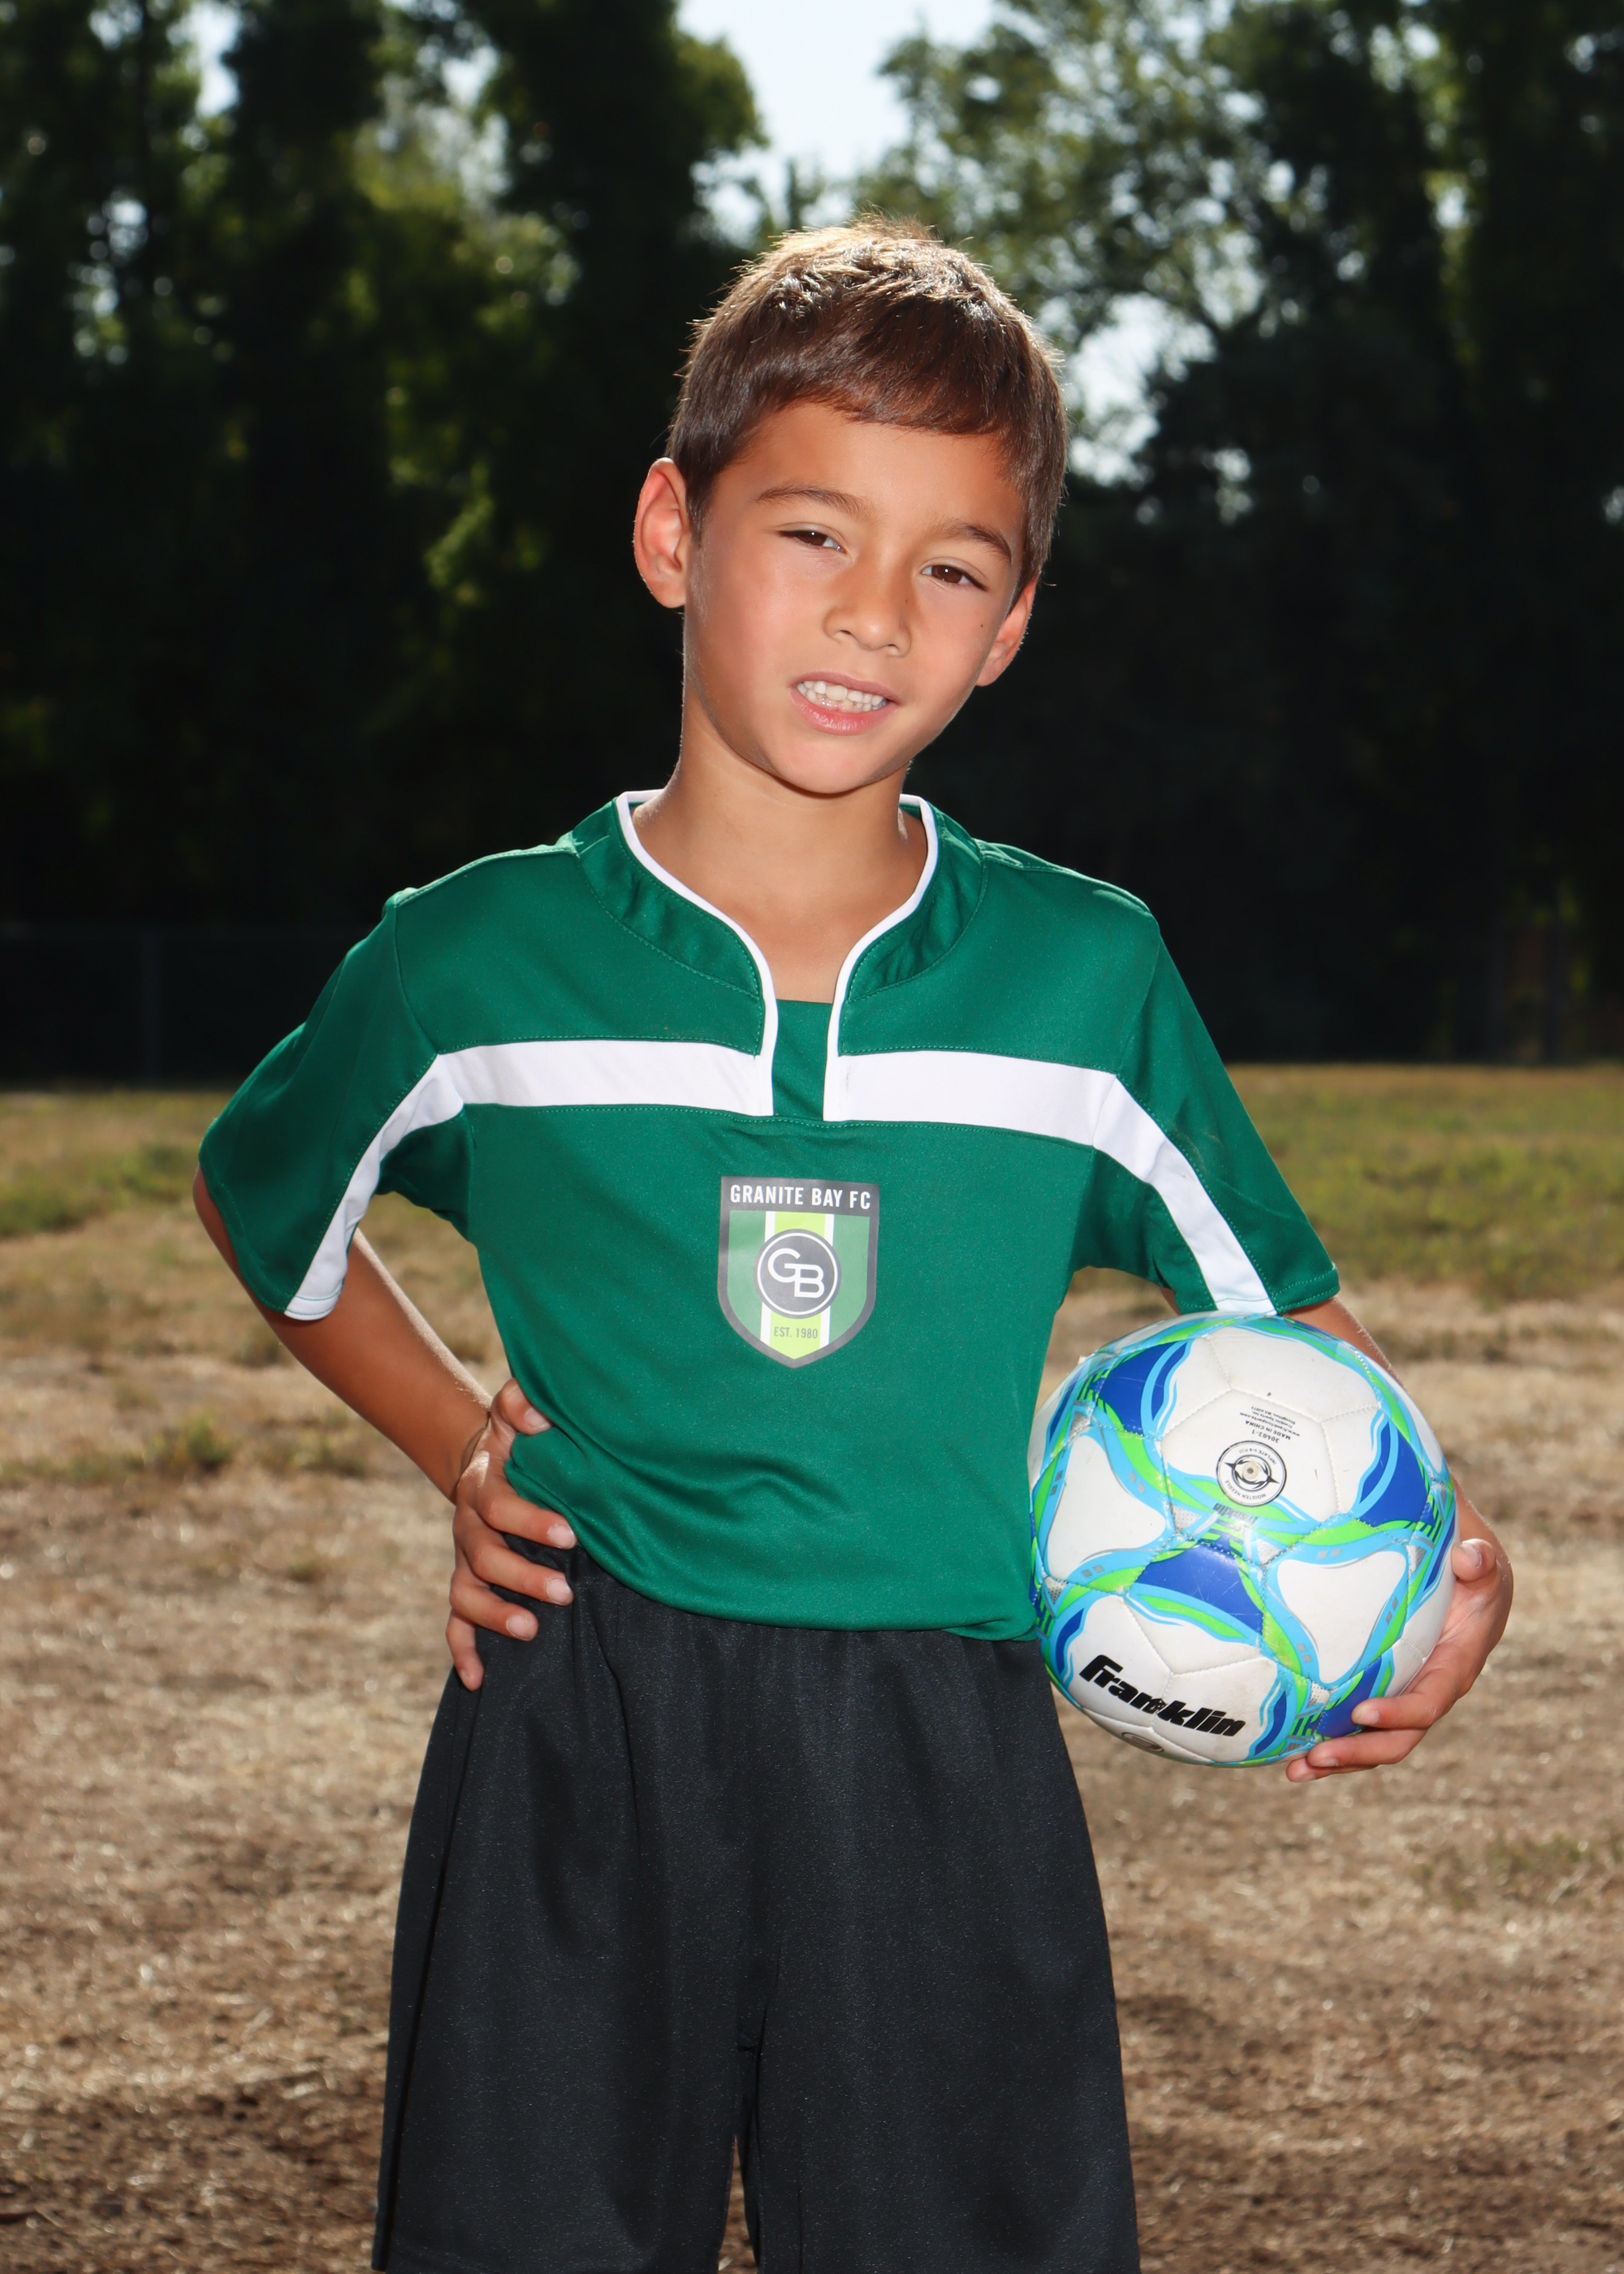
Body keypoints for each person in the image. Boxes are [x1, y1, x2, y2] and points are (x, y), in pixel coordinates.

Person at [194, 221, 1513, 2274]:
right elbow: (268, 1197)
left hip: (943, 1732)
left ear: (1011, 624)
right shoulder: (473, 956)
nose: (874, 612)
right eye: (812, 531)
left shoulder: (1082, 978)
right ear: (672, 531)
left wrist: (1443, 1557)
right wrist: (460, 1440)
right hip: (580, 1709)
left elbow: (1298, 1347)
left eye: (951, 567)